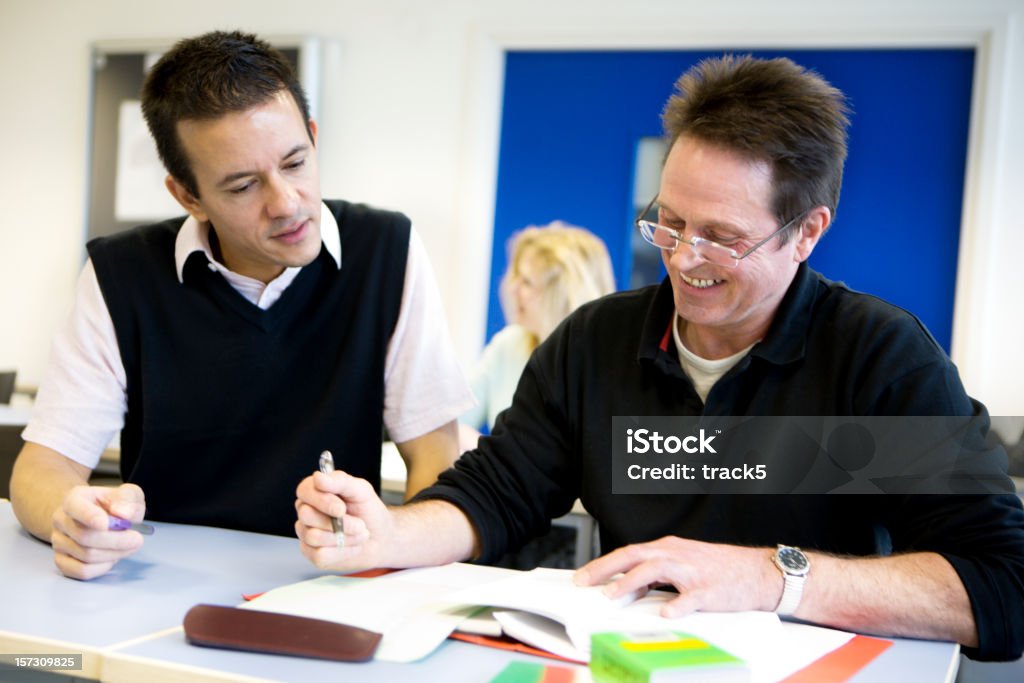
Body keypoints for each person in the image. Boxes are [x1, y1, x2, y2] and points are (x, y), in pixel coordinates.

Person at [294, 55, 1024, 660]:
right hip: (632, 665)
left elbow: (1002, 584)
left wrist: (772, 576)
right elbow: (496, 494)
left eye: (723, 236)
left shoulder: (879, 357)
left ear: (807, 232)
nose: (684, 258)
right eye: (668, 222)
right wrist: (388, 533)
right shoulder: (596, 342)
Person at [9, 30, 474, 580]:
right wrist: (73, 516)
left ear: (313, 138)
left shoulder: (387, 250)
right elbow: (43, 468)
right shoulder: (121, 273)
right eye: (243, 186)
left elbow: (436, 458)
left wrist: (404, 567)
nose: (286, 203)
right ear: (187, 195)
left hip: (329, 582)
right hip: (158, 580)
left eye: (296, 162)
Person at [459, 222, 614, 449]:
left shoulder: (605, 365)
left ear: (563, 296)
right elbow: (452, 422)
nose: (513, 289)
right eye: (516, 277)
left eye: (527, 282)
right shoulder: (510, 343)